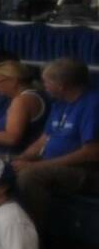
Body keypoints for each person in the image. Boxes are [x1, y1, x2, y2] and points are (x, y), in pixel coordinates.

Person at [17, 57, 99, 226]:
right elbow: (42, 140)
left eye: (46, 82)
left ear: (61, 85)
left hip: (86, 171)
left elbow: (91, 153)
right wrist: (19, 159)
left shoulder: (93, 105)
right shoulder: (59, 103)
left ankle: (33, 234)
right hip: (52, 164)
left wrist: (36, 166)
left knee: (29, 176)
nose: (43, 85)